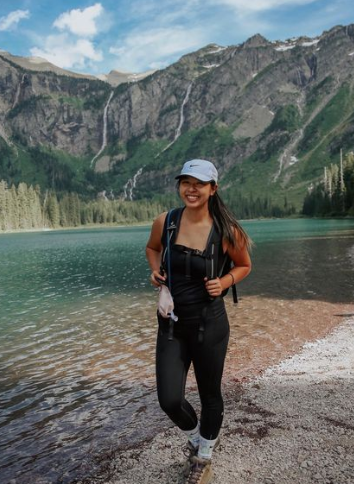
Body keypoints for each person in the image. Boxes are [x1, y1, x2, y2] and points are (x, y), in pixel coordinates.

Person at [145, 159, 252, 484]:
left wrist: (225, 282)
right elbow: (152, 249)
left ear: (212, 189)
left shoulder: (226, 230)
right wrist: (158, 277)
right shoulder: (166, 221)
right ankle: (196, 439)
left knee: (210, 396)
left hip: (210, 325)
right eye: (185, 182)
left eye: (199, 183)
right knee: (170, 400)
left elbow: (244, 265)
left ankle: (203, 457)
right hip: (172, 325)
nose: (191, 189)